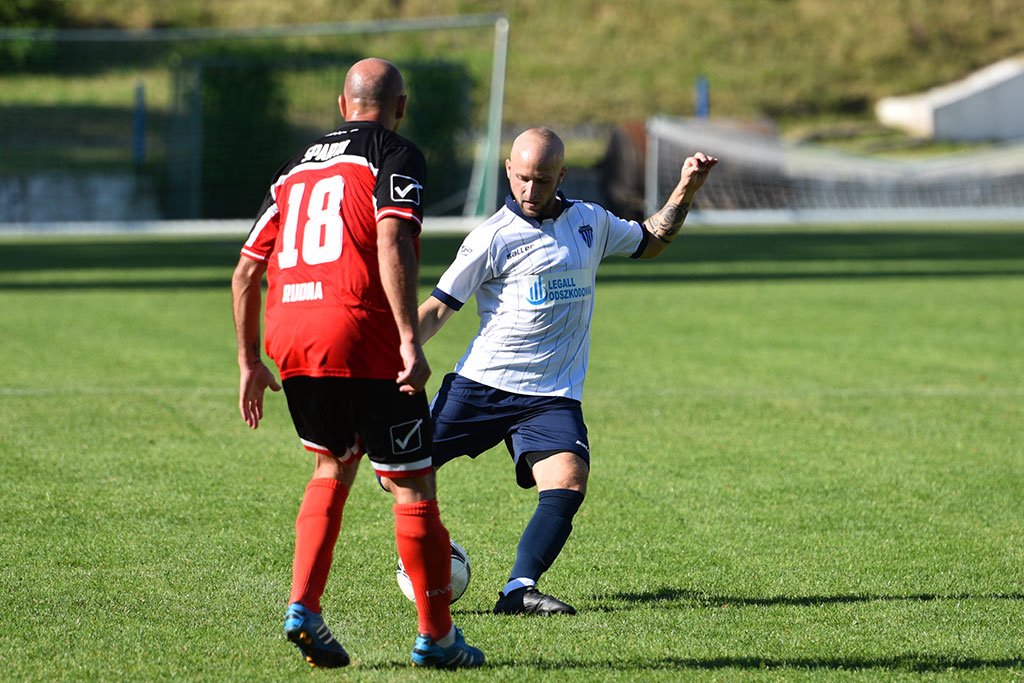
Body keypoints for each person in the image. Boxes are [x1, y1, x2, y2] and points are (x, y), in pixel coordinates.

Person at [231, 57, 484, 669]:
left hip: (291, 338)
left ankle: (303, 606)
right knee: (413, 484)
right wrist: (407, 338)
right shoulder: (396, 152)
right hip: (360, 334)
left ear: (341, 105)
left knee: (331, 466)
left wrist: (248, 363)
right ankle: (438, 639)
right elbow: (393, 237)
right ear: (400, 107)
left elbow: (245, 272)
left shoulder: (292, 171)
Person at [416, 127, 717, 616]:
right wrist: (394, 358)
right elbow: (436, 309)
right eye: (521, 179)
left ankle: (518, 590)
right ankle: (423, 552)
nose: (529, 191)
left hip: (552, 394)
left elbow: (651, 240)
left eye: (541, 180)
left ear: (562, 175)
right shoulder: (490, 238)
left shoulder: (588, 222)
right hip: (482, 386)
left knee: (568, 481)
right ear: (508, 172)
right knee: (398, 475)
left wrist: (685, 189)